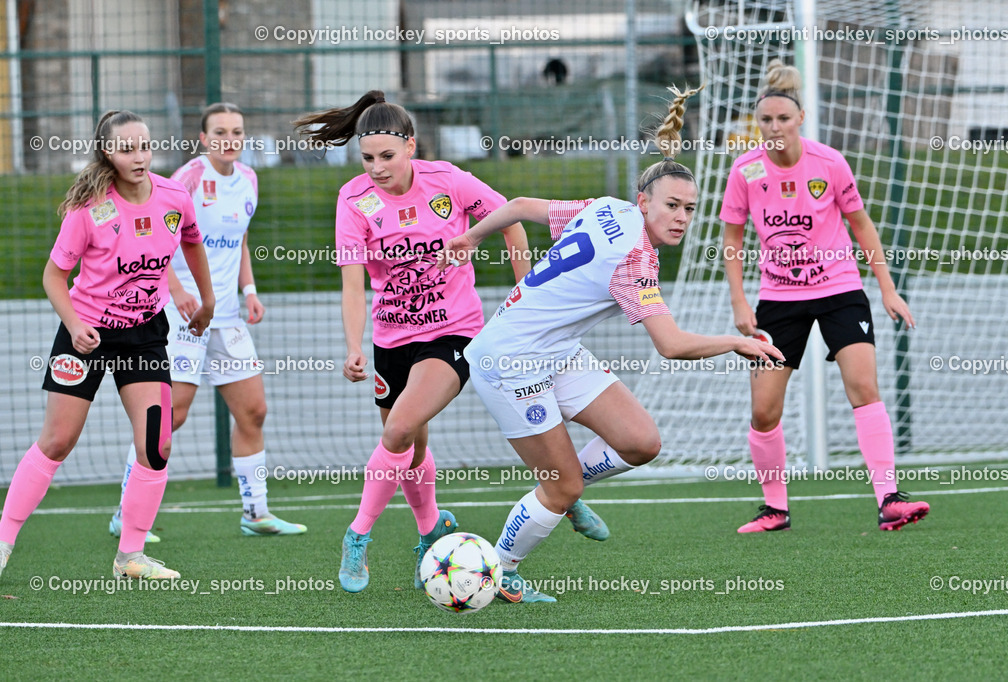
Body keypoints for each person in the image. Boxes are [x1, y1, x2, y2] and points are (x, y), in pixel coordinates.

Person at [439, 85, 784, 603]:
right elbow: (670, 345)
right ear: (643, 201)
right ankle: (501, 568)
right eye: (671, 206)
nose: (681, 218)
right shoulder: (636, 260)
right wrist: (736, 344)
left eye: (689, 209)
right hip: (509, 361)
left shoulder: (605, 207)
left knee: (641, 442)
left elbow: (518, 205)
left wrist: (472, 236)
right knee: (562, 487)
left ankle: (564, 485)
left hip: (554, 351)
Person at [294, 91, 608, 594]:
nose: (376, 168)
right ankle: (430, 536)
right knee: (411, 448)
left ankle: (357, 538)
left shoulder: (449, 181)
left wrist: (524, 293)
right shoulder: (354, 200)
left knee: (398, 429)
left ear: (411, 147)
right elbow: (353, 282)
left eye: (387, 156)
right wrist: (353, 344)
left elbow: (512, 224)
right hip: (390, 340)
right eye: (367, 157)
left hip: (453, 332)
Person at [0, 111, 215, 581]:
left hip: (143, 334)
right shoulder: (90, 210)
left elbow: (192, 243)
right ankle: (3, 539)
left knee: (156, 445)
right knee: (58, 441)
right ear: (107, 154)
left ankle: (130, 557)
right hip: (86, 335)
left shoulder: (175, 197)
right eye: (126, 148)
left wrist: (205, 297)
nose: (139, 156)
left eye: (144, 145)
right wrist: (74, 325)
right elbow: (54, 276)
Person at [720, 59, 930, 533]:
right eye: (766, 121)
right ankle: (775, 508)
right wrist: (739, 302)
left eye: (783, 119)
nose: (774, 128)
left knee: (863, 388)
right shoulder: (745, 171)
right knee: (764, 409)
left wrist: (888, 290)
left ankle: (889, 499)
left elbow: (862, 226)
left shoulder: (830, 162)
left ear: (800, 119)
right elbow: (731, 240)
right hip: (778, 300)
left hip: (840, 291)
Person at [107, 103, 306, 541]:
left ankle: (256, 514)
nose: (229, 140)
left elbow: (240, 239)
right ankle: (126, 511)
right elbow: (154, 239)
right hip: (182, 316)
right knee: (168, 418)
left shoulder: (249, 179)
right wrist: (179, 292)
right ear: (203, 138)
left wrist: (249, 291)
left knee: (254, 411)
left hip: (227, 315)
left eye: (237, 132)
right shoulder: (187, 180)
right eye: (219, 132)